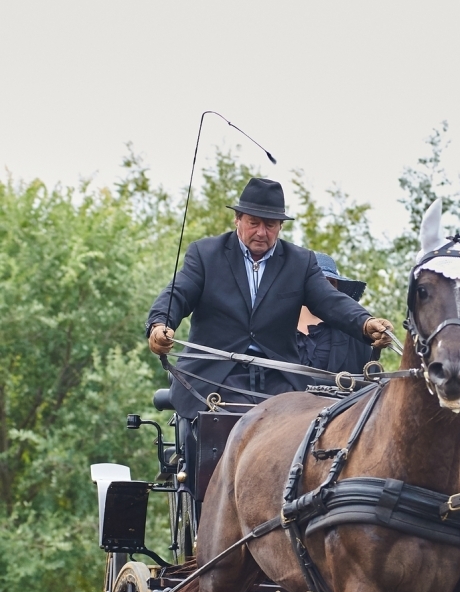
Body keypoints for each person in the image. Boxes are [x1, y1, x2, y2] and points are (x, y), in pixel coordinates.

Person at [146, 176, 393, 417]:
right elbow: (177, 293)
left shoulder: (300, 262)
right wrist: (159, 324)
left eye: (270, 225)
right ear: (237, 220)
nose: (262, 232)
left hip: (278, 376)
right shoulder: (205, 254)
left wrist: (365, 323)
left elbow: (330, 300)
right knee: (220, 429)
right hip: (215, 376)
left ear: (280, 226)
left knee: (307, 432)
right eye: (254, 223)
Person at [296, 252, 374, 382]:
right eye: (318, 281)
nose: (323, 288)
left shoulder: (355, 336)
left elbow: (372, 388)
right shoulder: (273, 329)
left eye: (331, 283)